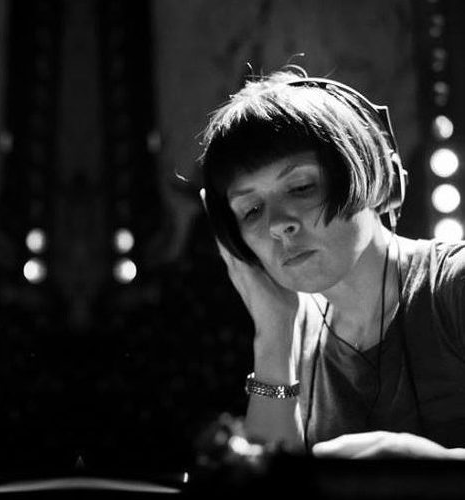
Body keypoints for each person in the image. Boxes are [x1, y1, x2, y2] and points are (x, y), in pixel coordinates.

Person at [199, 66, 465, 459]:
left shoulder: (453, 285)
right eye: (252, 210)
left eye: (301, 187)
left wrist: (424, 465)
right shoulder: (295, 328)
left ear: (376, 177)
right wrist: (273, 335)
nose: (278, 225)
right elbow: (270, 486)